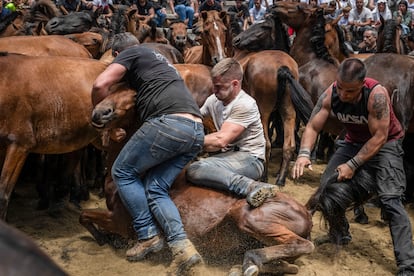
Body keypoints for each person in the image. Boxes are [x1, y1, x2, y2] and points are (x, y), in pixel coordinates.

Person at [91, 32, 205, 274]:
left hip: (169, 124)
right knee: (155, 188)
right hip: (195, 129)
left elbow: (100, 84)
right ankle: (182, 247)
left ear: (117, 55)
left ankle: (147, 234)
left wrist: (101, 116)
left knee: (122, 171)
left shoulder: (132, 52)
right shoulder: (163, 63)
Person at [292, 58, 414, 276]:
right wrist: (303, 154)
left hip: (386, 144)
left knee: (391, 200)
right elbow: (312, 125)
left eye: (350, 91)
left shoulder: (376, 95)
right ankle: (340, 234)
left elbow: (379, 137)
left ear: (361, 84)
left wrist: (353, 164)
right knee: (327, 187)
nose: (344, 95)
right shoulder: (332, 93)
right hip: (352, 142)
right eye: (340, 88)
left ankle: (407, 265)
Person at [186, 58, 277, 209]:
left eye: (219, 87)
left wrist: (186, 140)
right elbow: (195, 117)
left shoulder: (245, 104)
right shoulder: (214, 100)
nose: (214, 91)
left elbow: (221, 140)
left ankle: (250, 186)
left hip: (250, 159)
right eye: (213, 86)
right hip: (229, 156)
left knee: (196, 169)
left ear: (235, 84)